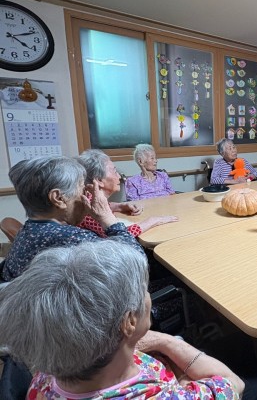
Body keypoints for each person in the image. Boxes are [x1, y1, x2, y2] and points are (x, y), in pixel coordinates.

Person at [0, 240, 244, 399]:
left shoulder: (48, 369)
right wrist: (167, 342)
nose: (147, 295)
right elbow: (233, 383)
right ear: (128, 322)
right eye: (143, 289)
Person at [1, 156, 143, 282]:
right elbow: (135, 261)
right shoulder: (71, 238)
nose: (87, 197)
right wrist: (107, 217)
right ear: (59, 198)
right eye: (83, 190)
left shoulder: (29, 229)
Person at [77, 149, 178, 237]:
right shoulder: (88, 208)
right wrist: (153, 220)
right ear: (99, 180)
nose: (119, 177)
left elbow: (103, 206)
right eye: (115, 171)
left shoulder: (90, 197)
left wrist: (121, 206)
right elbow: (122, 235)